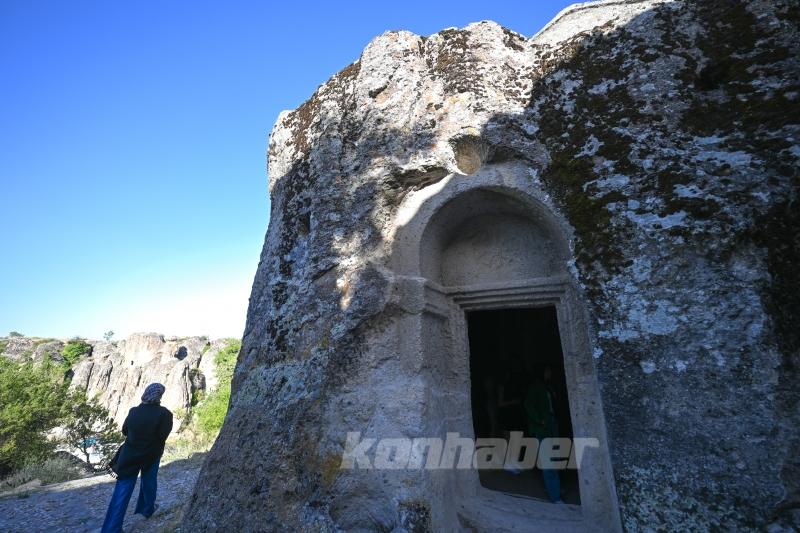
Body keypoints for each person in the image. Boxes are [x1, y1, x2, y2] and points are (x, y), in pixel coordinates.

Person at [101, 383, 173, 533]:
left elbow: (125, 431)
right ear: (159, 396)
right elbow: (162, 436)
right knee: (149, 482)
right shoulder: (165, 414)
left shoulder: (134, 411)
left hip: (129, 456)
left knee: (122, 490)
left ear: (146, 393)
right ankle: (147, 510)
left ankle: (111, 529)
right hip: (151, 455)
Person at [523, 365, 563, 503]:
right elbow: (528, 405)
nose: (549, 372)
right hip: (543, 427)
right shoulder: (536, 386)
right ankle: (555, 496)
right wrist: (539, 420)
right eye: (547, 370)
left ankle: (555, 488)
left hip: (552, 424)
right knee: (549, 462)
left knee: (556, 457)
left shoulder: (548, 387)